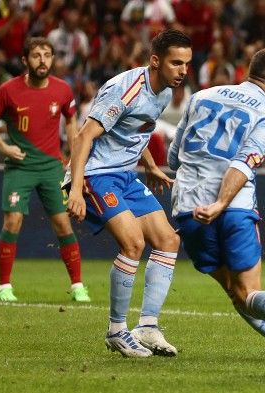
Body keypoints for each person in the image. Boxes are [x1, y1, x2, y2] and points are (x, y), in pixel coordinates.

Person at [168, 47, 265, 373]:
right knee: (250, 291)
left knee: (236, 293)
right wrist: (222, 203)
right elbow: (243, 163)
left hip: (189, 208)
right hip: (234, 208)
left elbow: (174, 155)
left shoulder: (200, 97)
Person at [65, 29, 192, 358]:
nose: (183, 70)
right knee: (133, 242)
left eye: (187, 64)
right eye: (176, 63)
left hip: (125, 174)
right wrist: (76, 188)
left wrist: (149, 165)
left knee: (168, 240)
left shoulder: (164, 91)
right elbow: (83, 137)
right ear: (155, 61)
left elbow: (140, 128)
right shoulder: (127, 89)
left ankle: (148, 327)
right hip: (96, 173)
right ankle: (117, 330)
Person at [0, 37, 89, 303]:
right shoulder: (8, 91)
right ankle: (4, 286)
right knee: (13, 221)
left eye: (48, 55)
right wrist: (4, 148)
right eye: (37, 55)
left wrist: (72, 157)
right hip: (20, 167)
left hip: (52, 167)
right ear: (25, 61)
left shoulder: (63, 90)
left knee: (63, 224)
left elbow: (72, 120)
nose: (43, 60)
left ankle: (77, 286)